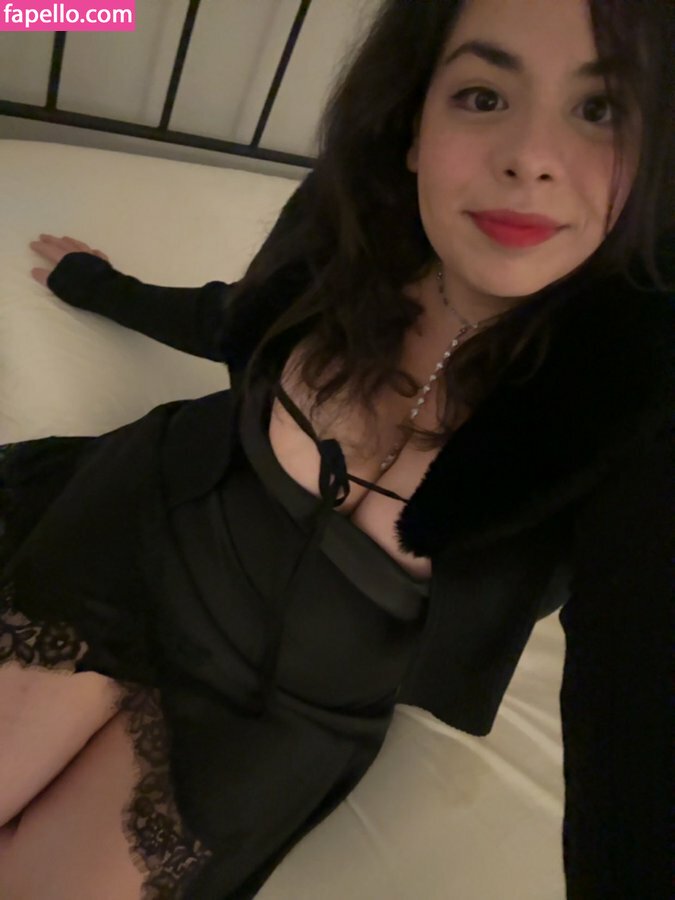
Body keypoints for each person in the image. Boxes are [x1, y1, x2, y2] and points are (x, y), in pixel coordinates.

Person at [1, 0, 673, 897]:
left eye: (599, 109)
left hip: (286, 703)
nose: (530, 157)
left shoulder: (637, 403)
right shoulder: (350, 230)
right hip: (144, 525)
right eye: (481, 96)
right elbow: (233, 319)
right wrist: (99, 284)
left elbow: (636, 714)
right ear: (413, 127)